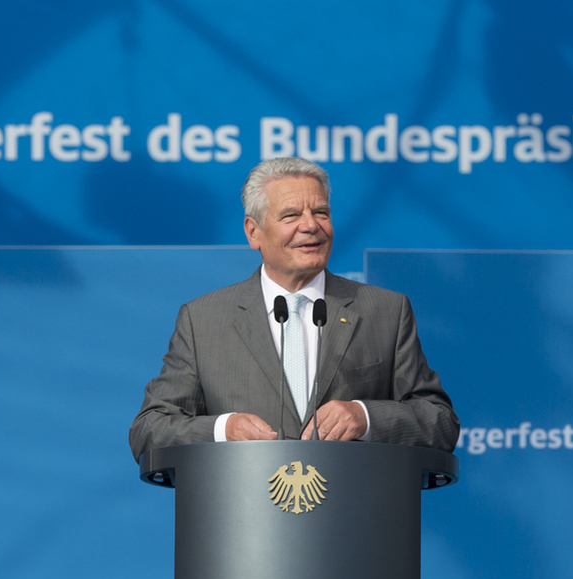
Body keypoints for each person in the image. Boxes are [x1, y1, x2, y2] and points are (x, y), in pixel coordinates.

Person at [129, 157, 458, 459]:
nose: (311, 225)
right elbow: (149, 430)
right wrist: (222, 429)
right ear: (253, 231)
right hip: (246, 517)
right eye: (291, 215)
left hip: (357, 514)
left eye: (321, 213)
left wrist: (365, 416)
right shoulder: (203, 321)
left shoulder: (385, 311)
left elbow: (440, 423)